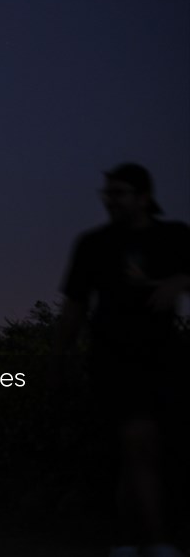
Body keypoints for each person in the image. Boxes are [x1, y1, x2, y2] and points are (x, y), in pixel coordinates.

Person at [57, 163, 190, 557]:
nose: (109, 200)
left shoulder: (174, 236)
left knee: (144, 451)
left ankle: (127, 540)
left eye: (118, 193)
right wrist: (60, 356)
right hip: (114, 359)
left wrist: (179, 281)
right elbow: (75, 306)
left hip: (164, 357)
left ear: (143, 197)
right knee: (138, 440)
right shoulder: (93, 245)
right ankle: (157, 541)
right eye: (107, 193)